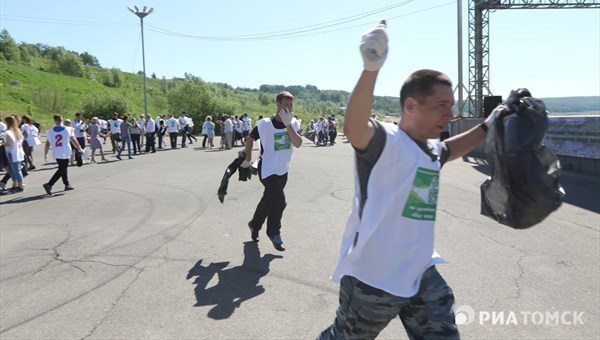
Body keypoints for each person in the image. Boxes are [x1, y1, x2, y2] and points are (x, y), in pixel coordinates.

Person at [317, 21, 493, 339]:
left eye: (450, 107)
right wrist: (371, 68)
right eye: (441, 106)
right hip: (374, 278)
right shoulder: (386, 141)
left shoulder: (429, 149)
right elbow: (355, 127)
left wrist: (490, 125)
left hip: (420, 272)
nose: (449, 114)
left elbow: (450, 149)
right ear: (410, 106)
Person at [242, 91, 302, 251]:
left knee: (268, 200)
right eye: (285, 104)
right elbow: (250, 139)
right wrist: (247, 160)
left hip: (283, 171)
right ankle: (273, 231)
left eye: (291, 104)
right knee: (280, 201)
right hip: (267, 170)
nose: (288, 108)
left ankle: (254, 224)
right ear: (278, 105)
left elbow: (298, 143)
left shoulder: (294, 124)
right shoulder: (264, 124)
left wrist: (288, 124)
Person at [43, 114, 84, 196]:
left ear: (54, 121)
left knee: (63, 167)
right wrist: (79, 148)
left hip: (57, 151)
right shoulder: (67, 129)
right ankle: (50, 184)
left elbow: (47, 143)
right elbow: (73, 140)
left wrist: (46, 153)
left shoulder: (51, 131)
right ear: (62, 120)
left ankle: (66, 184)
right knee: (62, 168)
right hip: (65, 151)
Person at [2, 115, 25, 192]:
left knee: (15, 170)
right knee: (12, 170)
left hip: (12, 153)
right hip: (18, 152)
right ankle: (15, 184)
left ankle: (20, 185)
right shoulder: (17, 130)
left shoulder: (9, 132)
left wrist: (3, 143)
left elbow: (10, 143)